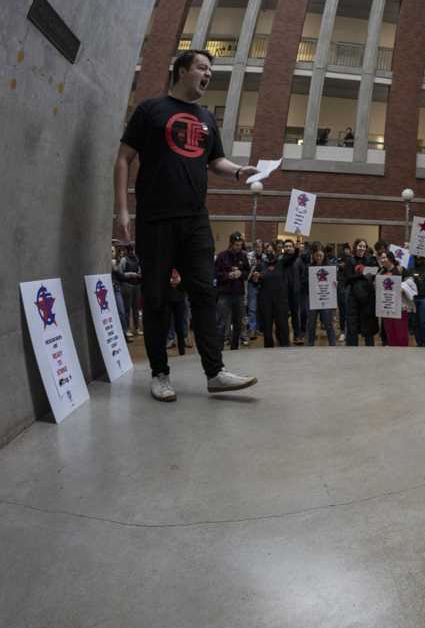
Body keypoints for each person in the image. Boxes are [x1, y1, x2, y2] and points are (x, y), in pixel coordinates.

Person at [114, 49, 258, 401]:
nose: (208, 74)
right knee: (157, 297)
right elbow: (123, 159)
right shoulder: (150, 110)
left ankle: (215, 372)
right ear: (181, 71)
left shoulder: (207, 117)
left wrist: (240, 171)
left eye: (210, 69)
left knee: (205, 294)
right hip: (155, 218)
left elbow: (216, 161)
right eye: (201, 68)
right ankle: (160, 374)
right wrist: (122, 210)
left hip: (195, 219)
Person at [254, 242, 297, 348]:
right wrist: (255, 278)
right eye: (267, 251)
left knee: (282, 325)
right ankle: (268, 349)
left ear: (276, 251)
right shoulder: (261, 264)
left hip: (280, 299)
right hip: (265, 299)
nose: (269, 252)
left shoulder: (281, 262)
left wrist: (295, 249)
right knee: (267, 327)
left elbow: (293, 257)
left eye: (271, 250)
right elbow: (255, 281)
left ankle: (285, 346)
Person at [214, 231, 249, 350]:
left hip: (239, 294)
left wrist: (241, 274)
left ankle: (235, 347)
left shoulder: (243, 256)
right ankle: (218, 348)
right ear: (230, 244)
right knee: (221, 322)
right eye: (236, 245)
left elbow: (247, 272)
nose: (238, 247)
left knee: (238, 322)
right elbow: (216, 274)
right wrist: (228, 275)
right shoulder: (221, 256)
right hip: (224, 294)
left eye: (240, 245)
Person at [344, 239, 379, 346]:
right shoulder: (350, 260)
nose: (362, 248)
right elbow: (347, 277)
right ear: (355, 247)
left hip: (368, 296)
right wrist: (362, 275)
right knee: (353, 324)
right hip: (353, 296)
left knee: (368, 324)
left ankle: (370, 350)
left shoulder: (370, 260)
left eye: (364, 246)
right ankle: (353, 349)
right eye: (360, 246)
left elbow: (375, 274)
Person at [304, 242, 337, 346]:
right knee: (311, 324)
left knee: (328, 324)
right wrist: (309, 280)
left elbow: (337, 281)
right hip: (313, 298)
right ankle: (310, 345)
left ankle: (333, 346)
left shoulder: (330, 267)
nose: (318, 257)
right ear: (313, 255)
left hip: (326, 298)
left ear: (324, 255)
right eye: (316, 255)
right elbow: (303, 283)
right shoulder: (308, 267)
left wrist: (336, 283)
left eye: (320, 255)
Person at [378, 250, 411, 347]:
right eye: (381, 258)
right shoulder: (381, 271)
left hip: (400, 307)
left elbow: (411, 281)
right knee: (390, 332)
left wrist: (402, 288)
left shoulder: (400, 269)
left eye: (384, 257)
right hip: (387, 306)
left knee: (401, 333)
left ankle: (402, 354)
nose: (382, 260)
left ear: (391, 258)